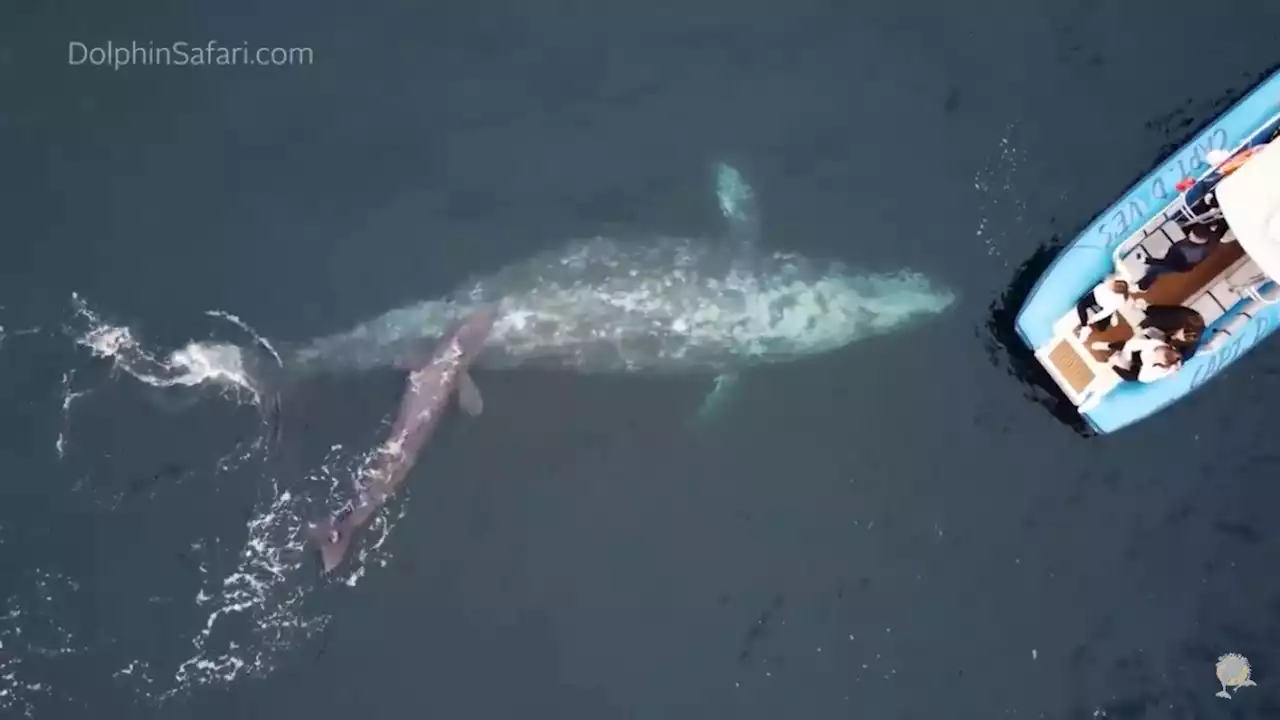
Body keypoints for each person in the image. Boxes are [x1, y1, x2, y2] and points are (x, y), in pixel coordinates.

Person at [1135, 218, 1232, 291]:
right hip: (1183, 264)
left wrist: (1146, 260)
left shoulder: (1183, 251)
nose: (1189, 235)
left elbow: (1165, 263)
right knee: (1157, 269)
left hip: (1179, 264)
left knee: (1157, 269)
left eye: (1191, 235)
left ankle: (1144, 284)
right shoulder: (1210, 243)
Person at [1074, 275, 1143, 341]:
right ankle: (1085, 327)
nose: (1111, 284)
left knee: (1102, 328)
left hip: (1103, 304)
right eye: (1113, 283)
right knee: (1081, 305)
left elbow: (1103, 314)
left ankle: (1113, 314)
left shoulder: (1116, 302)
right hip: (1094, 296)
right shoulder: (1113, 281)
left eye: (1113, 286)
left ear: (1115, 291)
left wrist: (1092, 320)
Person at [1104, 335, 1182, 383]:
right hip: (1140, 352)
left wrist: (1136, 365)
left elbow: (1143, 378)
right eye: (1158, 351)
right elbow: (1130, 344)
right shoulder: (1156, 344)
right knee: (1125, 345)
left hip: (1142, 367)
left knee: (1131, 377)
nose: (1156, 353)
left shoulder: (1158, 370)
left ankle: (1111, 364)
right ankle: (1107, 346)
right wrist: (1126, 350)